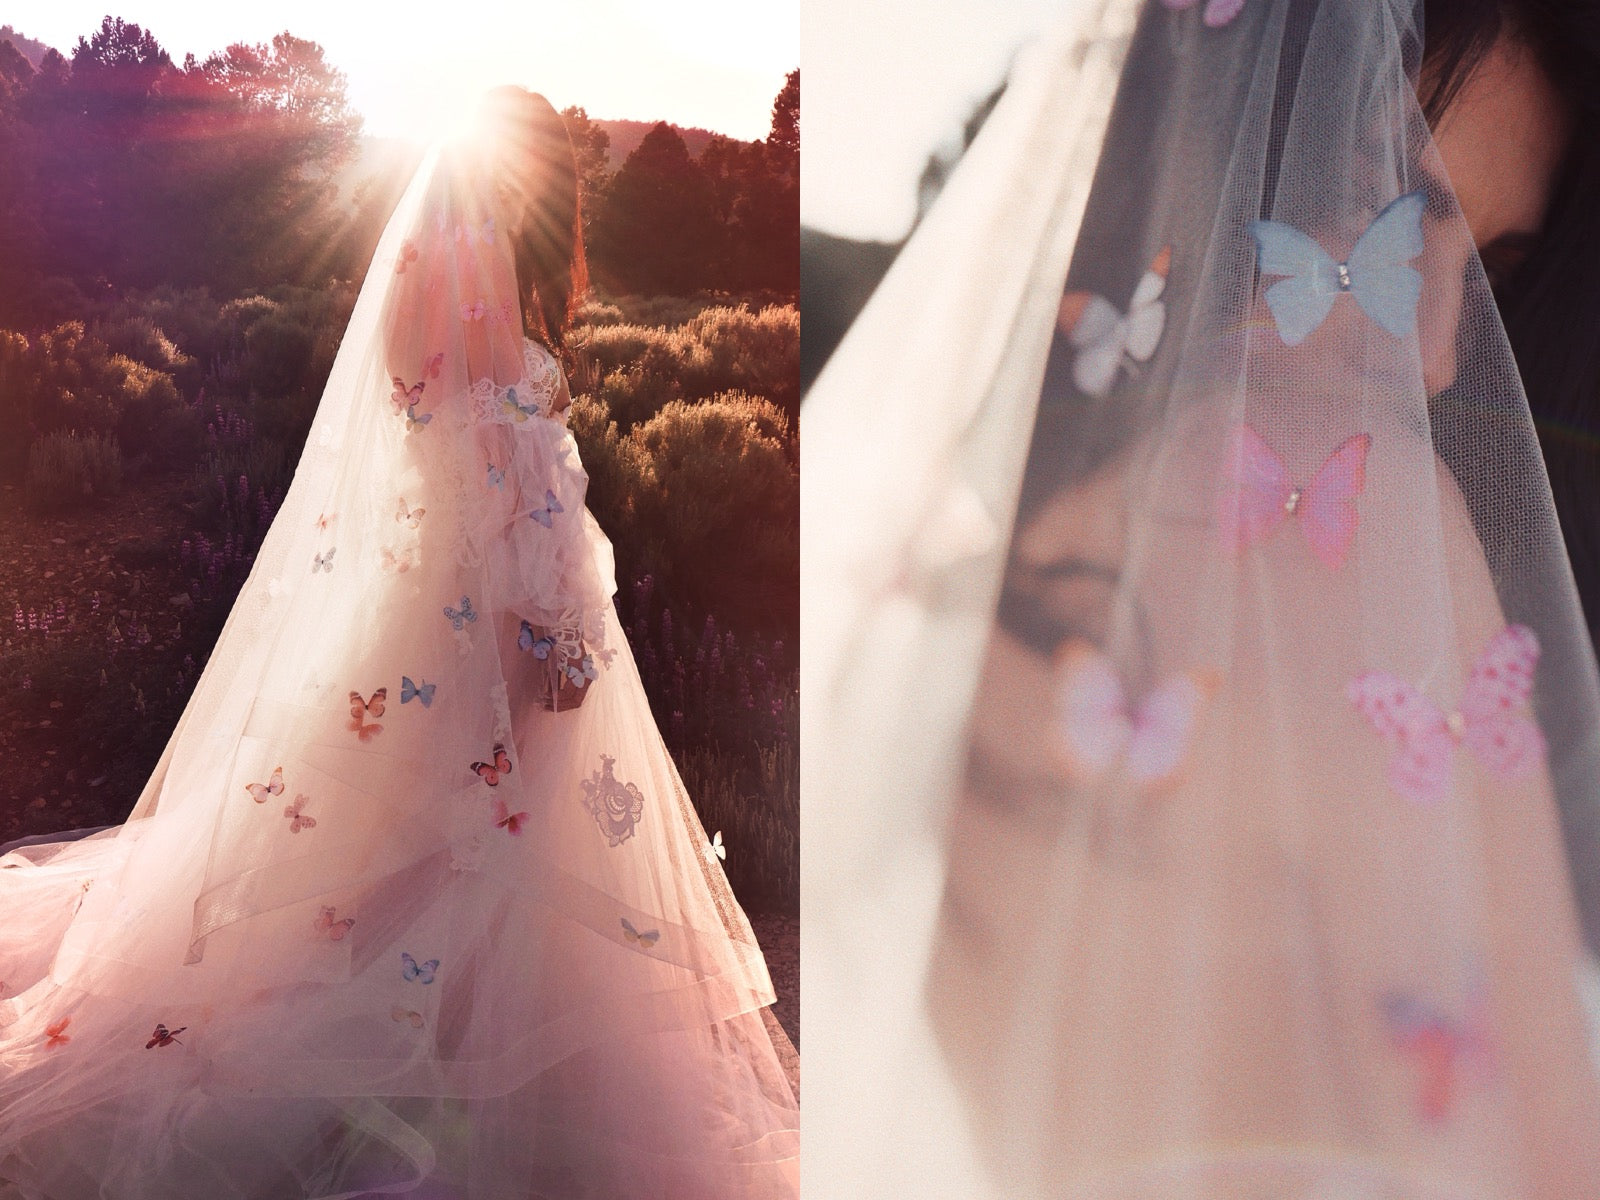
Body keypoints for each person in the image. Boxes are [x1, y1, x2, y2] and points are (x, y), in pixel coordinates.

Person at [803, 0, 1600, 1196]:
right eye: (1400, 219)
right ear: (1232, 160)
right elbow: (1553, 1144)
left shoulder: (935, 574)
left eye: (1491, 273)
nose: (1439, 355)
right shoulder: (1386, 525)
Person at [0, 88, 799, 1199]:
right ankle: (431, 1094)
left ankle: (403, 1076)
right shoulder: (499, 358)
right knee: (473, 863)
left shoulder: (413, 328)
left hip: (409, 633)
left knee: (391, 868)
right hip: (499, 647)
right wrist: (560, 663)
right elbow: (531, 523)